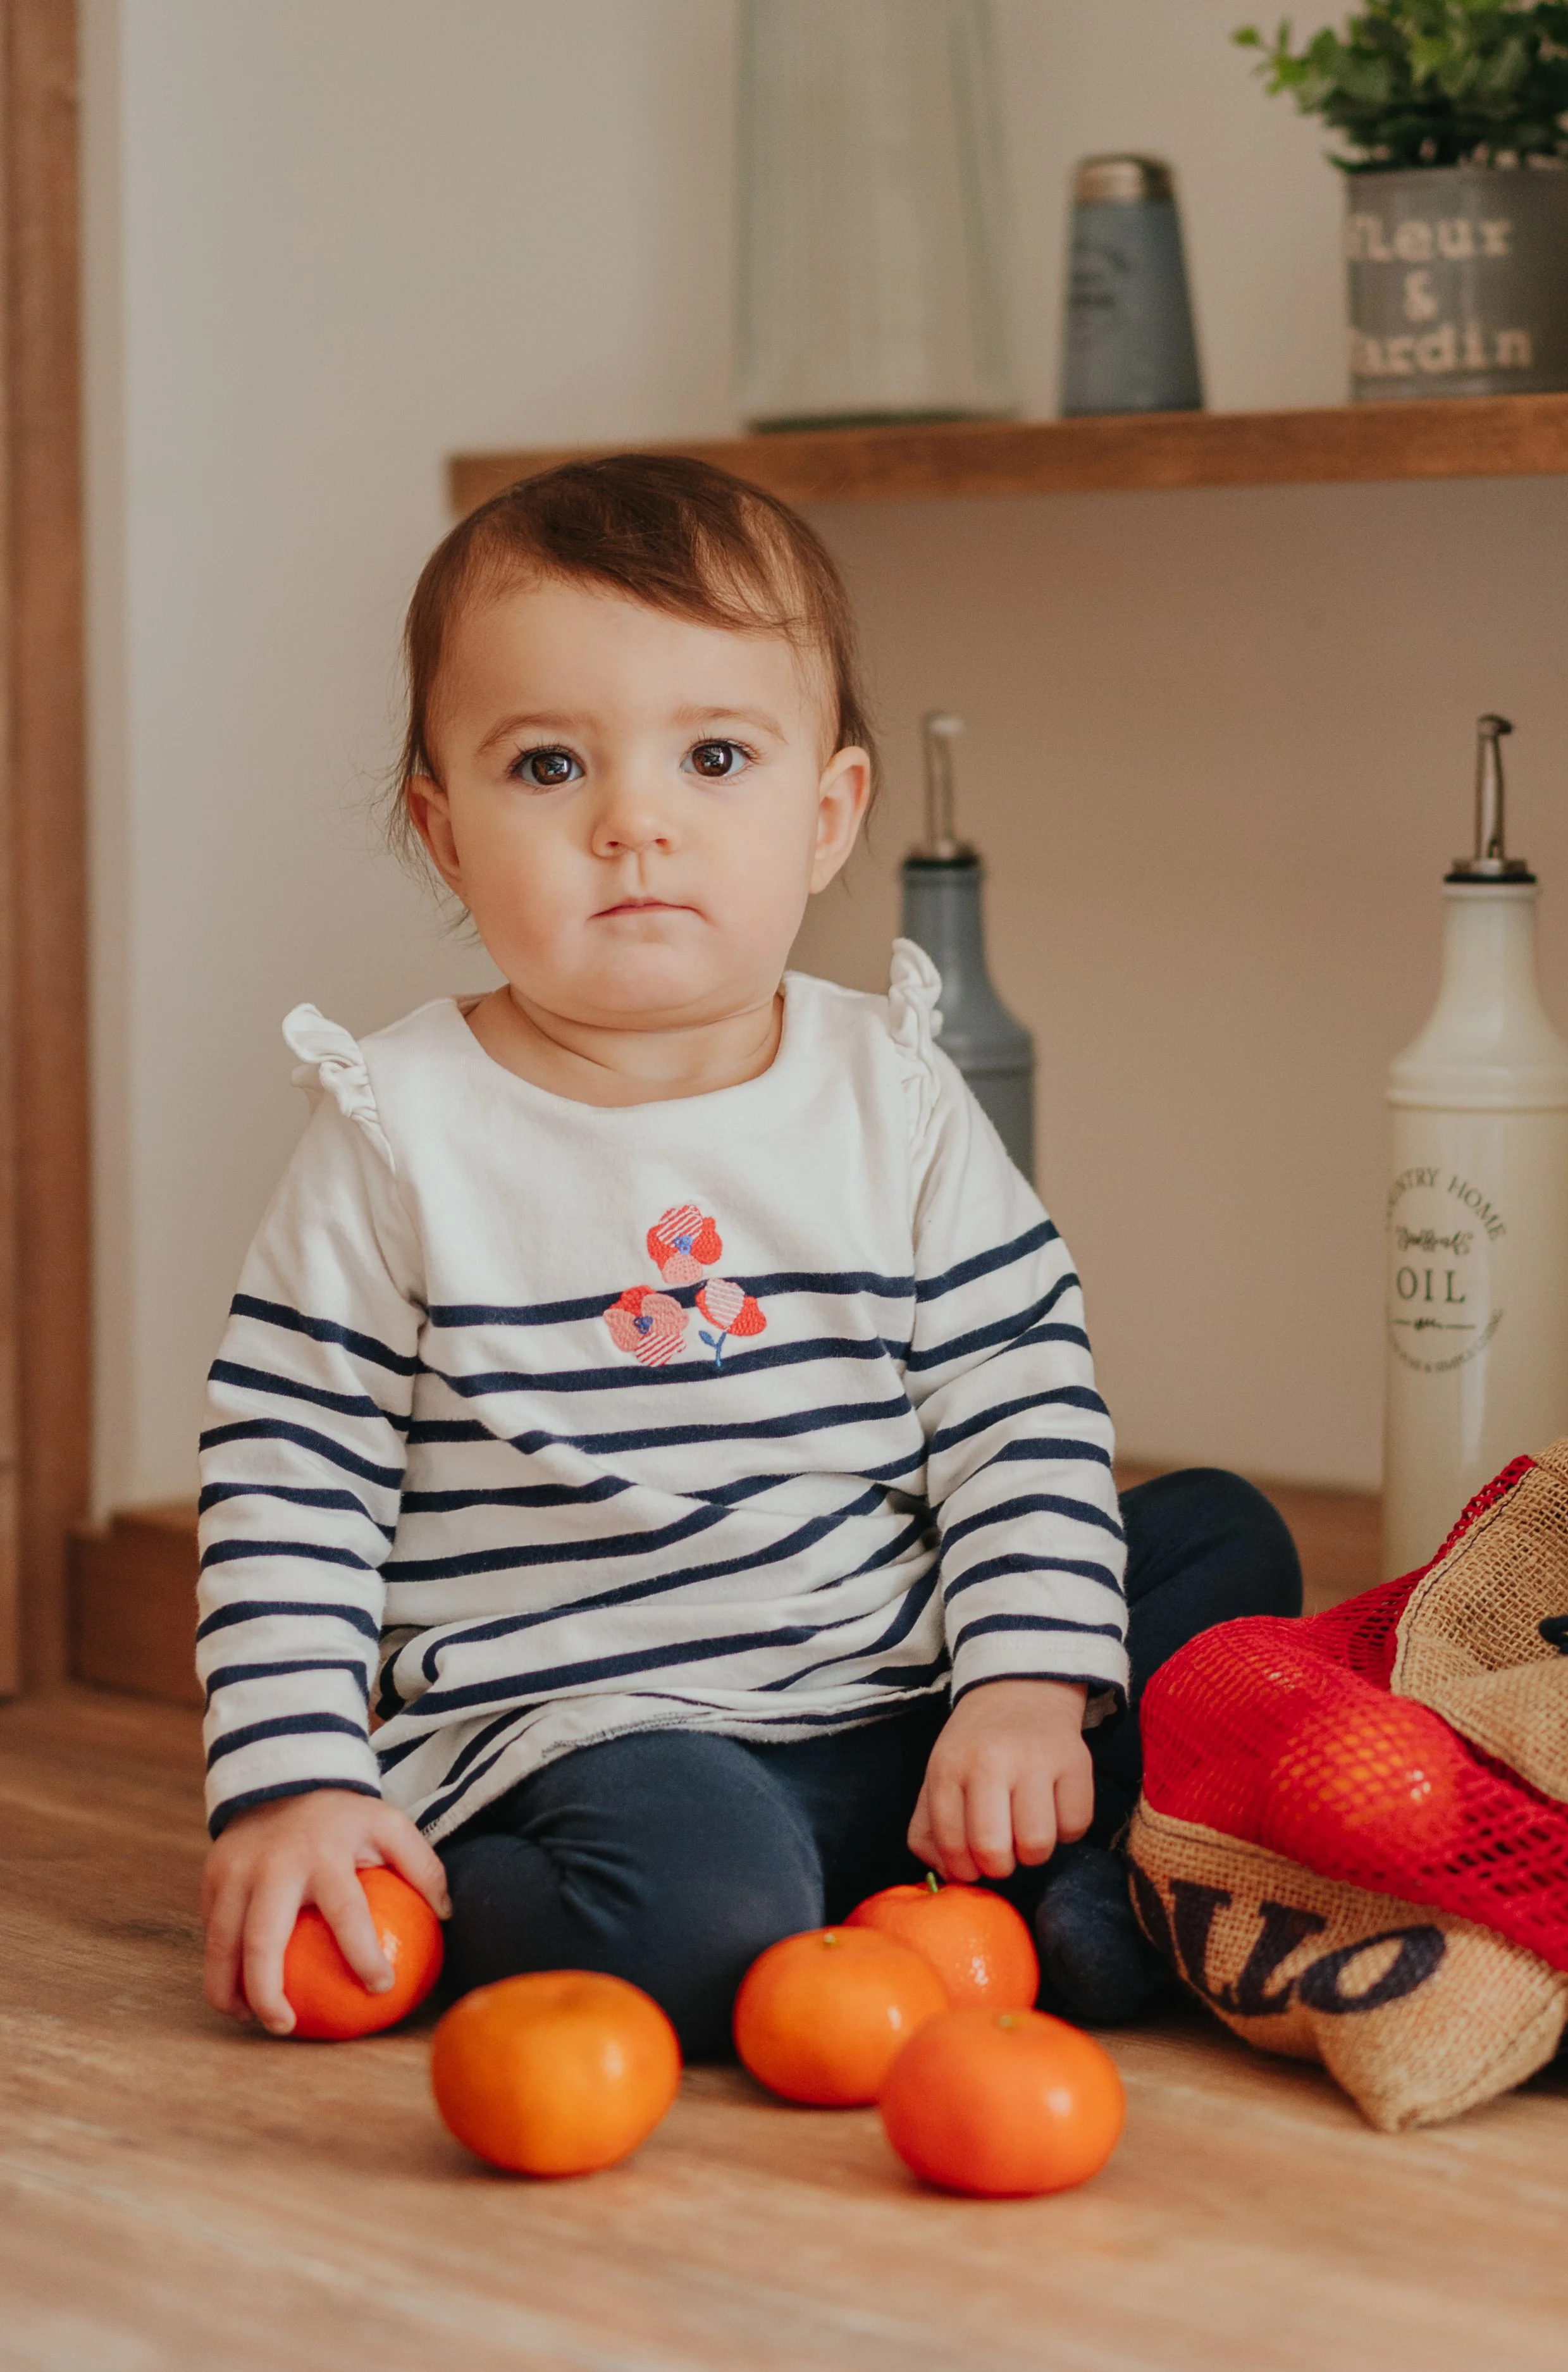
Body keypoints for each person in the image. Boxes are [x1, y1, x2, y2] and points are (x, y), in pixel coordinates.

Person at [197, 454, 1300, 2050]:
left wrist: (1016, 1686)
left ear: (826, 815)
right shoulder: (399, 1135)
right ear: (441, 833)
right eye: (549, 766)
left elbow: (1015, 1411)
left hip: (903, 1681)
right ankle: (498, 1891)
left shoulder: (894, 1096)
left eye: (715, 756)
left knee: (1215, 1538)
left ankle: (1024, 1867)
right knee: (698, 1917)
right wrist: (295, 1785)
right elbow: (289, 1482)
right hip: (611, 1729)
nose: (634, 822)